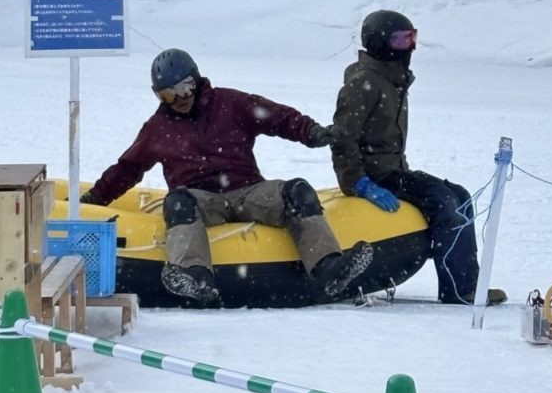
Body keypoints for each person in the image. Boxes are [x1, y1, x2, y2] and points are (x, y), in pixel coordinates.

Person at [80, 48, 373, 307]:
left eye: (184, 88)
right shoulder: (158, 128)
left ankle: (329, 270)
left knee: (297, 191)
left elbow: (277, 117)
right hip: (201, 199)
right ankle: (194, 278)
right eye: (167, 94)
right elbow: (128, 168)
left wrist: (312, 133)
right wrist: (94, 199)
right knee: (178, 201)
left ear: (196, 80)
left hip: (248, 191)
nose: (179, 99)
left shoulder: (230, 103)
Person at [330, 10, 506, 306]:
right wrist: (359, 182)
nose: (409, 46)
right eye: (401, 39)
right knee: (443, 202)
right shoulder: (363, 84)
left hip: (394, 170)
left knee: (460, 195)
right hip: (375, 175)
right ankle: (458, 290)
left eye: (412, 37)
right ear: (379, 42)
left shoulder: (391, 79)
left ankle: (468, 283)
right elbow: (342, 139)